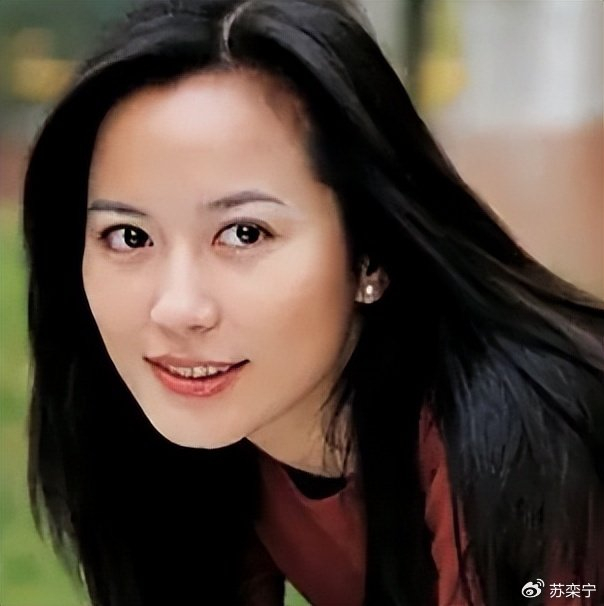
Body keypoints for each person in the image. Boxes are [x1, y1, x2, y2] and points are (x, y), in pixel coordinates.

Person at [22, 1, 604, 605]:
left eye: (245, 233)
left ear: (371, 253)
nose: (176, 308)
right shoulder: (205, 441)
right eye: (128, 237)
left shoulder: (527, 442)